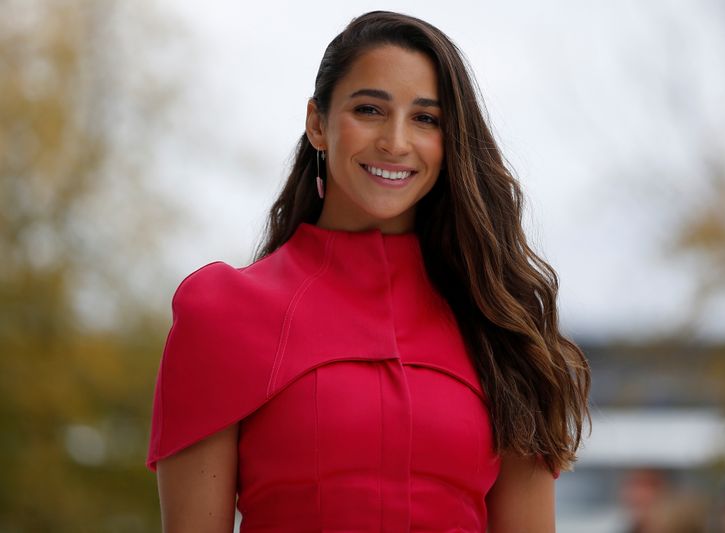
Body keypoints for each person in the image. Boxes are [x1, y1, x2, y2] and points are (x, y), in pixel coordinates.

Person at [146, 10, 591, 533]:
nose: (396, 143)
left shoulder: (500, 327)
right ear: (318, 123)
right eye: (369, 109)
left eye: (426, 119)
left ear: (449, 144)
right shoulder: (222, 313)